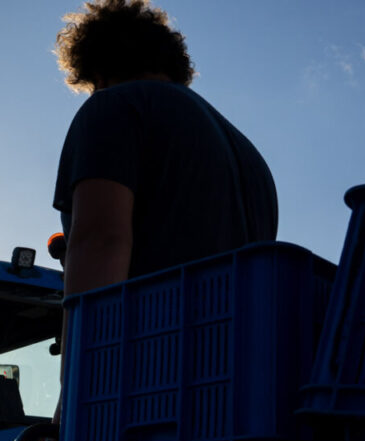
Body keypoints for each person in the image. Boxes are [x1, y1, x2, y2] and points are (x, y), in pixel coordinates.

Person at [52, 0, 278, 294]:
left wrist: (78, 339)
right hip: (239, 333)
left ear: (97, 71)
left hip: (154, 332)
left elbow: (100, 240)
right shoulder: (250, 155)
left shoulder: (114, 106)